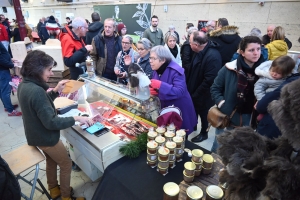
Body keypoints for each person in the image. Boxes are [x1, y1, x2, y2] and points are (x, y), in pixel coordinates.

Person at [18, 50, 93, 200]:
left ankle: (54, 189)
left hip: (35, 136)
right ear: (37, 70)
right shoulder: (37, 91)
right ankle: (66, 197)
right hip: (46, 138)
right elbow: (51, 122)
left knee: (51, 161)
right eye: (49, 69)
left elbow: (40, 105)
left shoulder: (24, 85)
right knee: (65, 164)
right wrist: (77, 118)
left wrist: (56, 90)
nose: (51, 73)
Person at [210, 36, 265, 153]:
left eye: (258, 49)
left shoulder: (266, 72)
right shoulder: (229, 68)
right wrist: (222, 104)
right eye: (251, 50)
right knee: (219, 148)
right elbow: (215, 88)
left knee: (240, 151)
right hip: (228, 119)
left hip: (251, 119)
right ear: (242, 52)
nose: (256, 53)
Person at [149, 45, 197, 134]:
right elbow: (157, 87)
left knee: (179, 137)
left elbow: (180, 91)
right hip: (166, 110)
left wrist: (161, 86)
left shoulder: (176, 71)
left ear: (163, 60)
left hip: (179, 110)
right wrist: (154, 91)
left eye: (153, 59)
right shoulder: (157, 69)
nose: (150, 61)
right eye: (150, 58)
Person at [186, 31, 222, 143]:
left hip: (204, 93)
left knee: (204, 113)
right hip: (196, 89)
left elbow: (209, 81)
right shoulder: (200, 51)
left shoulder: (212, 56)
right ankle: (194, 126)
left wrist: (196, 94)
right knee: (196, 109)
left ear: (196, 45)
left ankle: (204, 133)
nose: (189, 44)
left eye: (190, 42)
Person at [0, 42, 22, 116]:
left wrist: (10, 59)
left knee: (2, 90)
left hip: (2, 69)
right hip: (2, 71)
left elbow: (2, 54)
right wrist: (11, 65)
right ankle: (10, 111)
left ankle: (7, 106)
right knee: (5, 91)